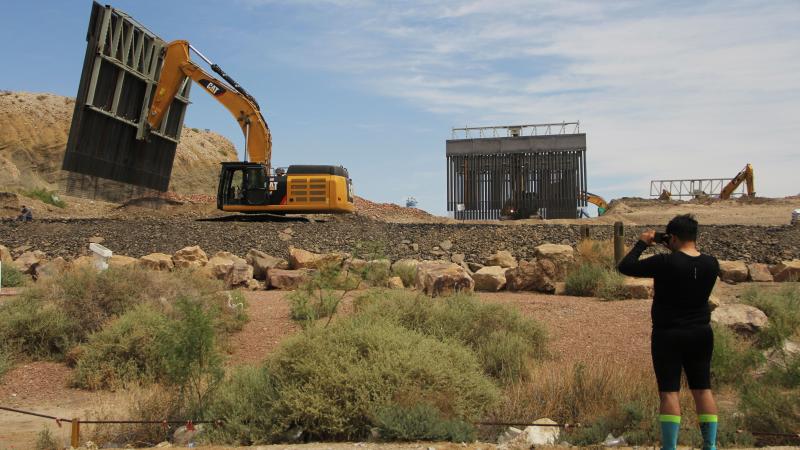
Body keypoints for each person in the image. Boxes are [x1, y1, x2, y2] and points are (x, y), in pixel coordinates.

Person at [618, 214, 720, 450]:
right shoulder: (711, 263)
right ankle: (710, 444)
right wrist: (672, 243)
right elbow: (690, 264)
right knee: (703, 388)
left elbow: (626, 266)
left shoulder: (665, 263)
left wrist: (644, 242)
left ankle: (670, 447)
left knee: (669, 392)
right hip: (701, 333)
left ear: (672, 237)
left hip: (668, 334)